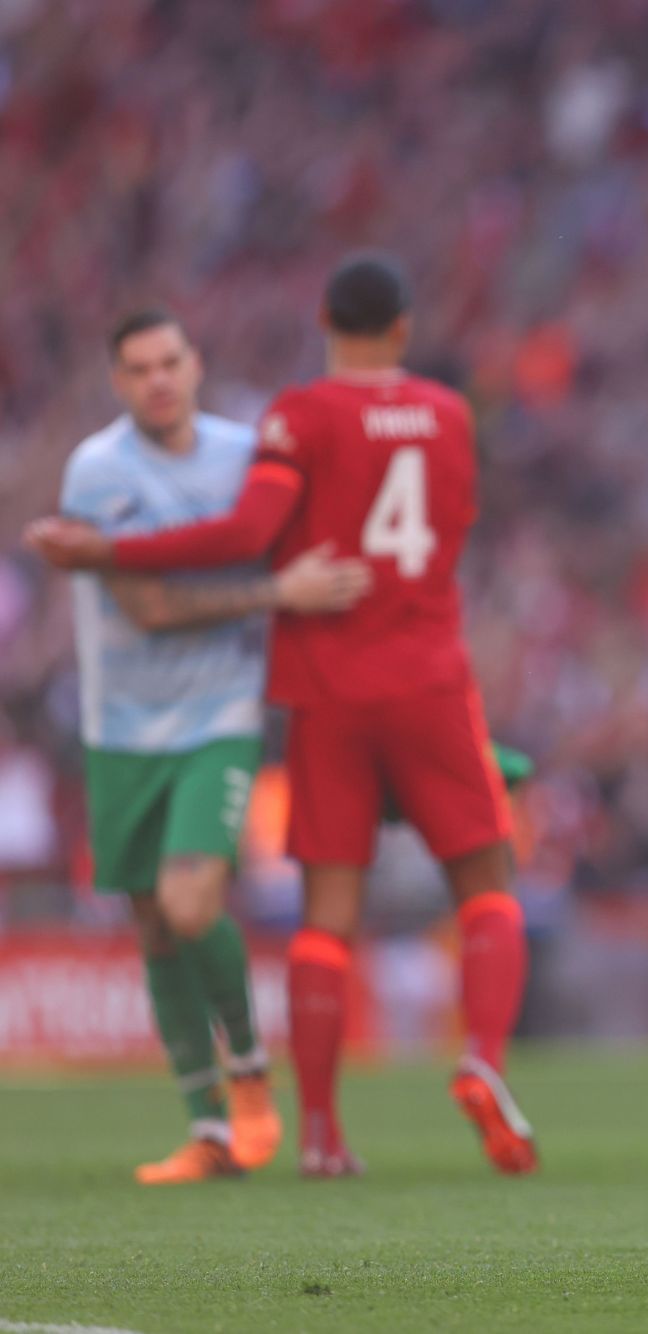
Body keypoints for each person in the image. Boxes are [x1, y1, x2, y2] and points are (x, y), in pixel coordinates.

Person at [29, 255, 537, 1180]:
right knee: (488, 883)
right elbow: (453, 526)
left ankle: (319, 1135)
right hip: (427, 675)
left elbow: (246, 532)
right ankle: (483, 1060)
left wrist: (108, 549)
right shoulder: (451, 415)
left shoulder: (292, 420)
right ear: (404, 328)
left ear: (323, 321)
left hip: (326, 689)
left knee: (324, 918)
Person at [38, 310, 369, 1183]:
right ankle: (207, 1126)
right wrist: (276, 594)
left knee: (191, 905)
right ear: (118, 382)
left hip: (218, 720)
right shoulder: (99, 469)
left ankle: (252, 1079)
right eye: (139, 367)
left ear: (196, 364)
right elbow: (144, 608)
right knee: (152, 926)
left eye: (170, 361)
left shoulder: (242, 454)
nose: (158, 379)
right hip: (119, 731)